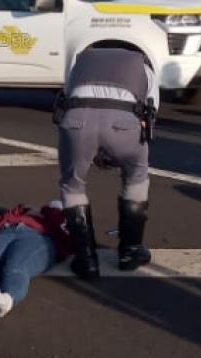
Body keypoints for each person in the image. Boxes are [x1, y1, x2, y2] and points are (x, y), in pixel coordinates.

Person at [54, 46, 157, 279]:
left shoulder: (80, 62)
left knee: (73, 184)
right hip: (123, 122)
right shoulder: (143, 66)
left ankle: (86, 260)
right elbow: (149, 116)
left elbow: (69, 96)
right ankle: (130, 252)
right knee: (137, 176)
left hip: (77, 122)